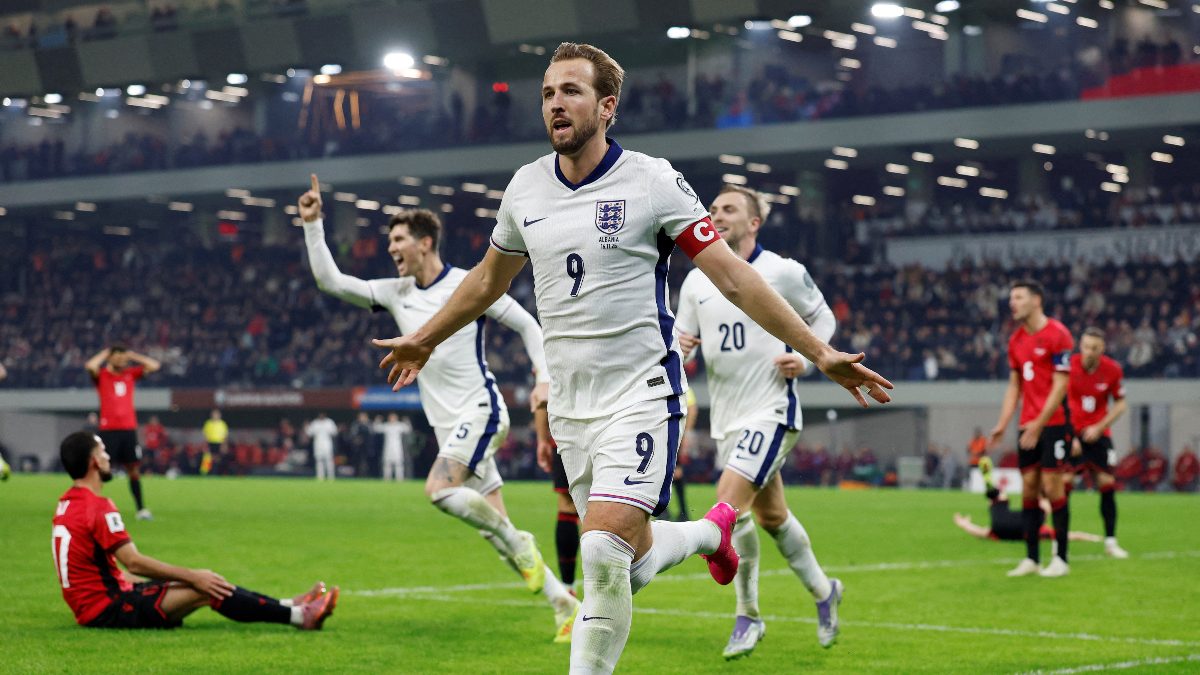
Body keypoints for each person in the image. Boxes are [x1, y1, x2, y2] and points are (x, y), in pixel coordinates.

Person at [371, 42, 893, 674]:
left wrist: (819, 351)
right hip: (571, 404)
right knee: (630, 561)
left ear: (607, 105)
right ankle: (708, 533)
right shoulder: (525, 187)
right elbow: (486, 281)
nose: (555, 103)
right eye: (546, 93)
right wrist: (425, 337)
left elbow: (732, 276)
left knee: (599, 555)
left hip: (641, 392)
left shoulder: (652, 180)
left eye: (570, 91)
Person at [297, 182, 580, 641]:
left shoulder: (469, 283)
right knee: (496, 531)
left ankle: (522, 542)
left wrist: (542, 378)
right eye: (390, 242)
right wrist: (313, 225)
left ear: (425, 242)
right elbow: (331, 281)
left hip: (482, 410)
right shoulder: (396, 292)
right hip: (450, 426)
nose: (391, 249)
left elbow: (528, 324)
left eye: (398, 240)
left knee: (439, 490)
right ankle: (563, 603)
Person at [675, 185, 841, 660]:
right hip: (727, 419)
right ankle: (824, 591)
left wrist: (807, 362)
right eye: (712, 210)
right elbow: (683, 340)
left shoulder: (781, 272)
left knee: (729, 507)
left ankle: (747, 615)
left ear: (754, 223)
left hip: (772, 411)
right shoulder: (696, 281)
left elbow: (822, 318)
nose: (717, 215)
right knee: (769, 516)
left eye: (729, 209)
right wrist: (676, 353)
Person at [52, 431, 338, 629]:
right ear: (93, 462)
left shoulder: (66, 504)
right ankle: (301, 617)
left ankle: (290, 604)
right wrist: (191, 575)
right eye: (103, 451)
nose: (108, 457)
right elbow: (134, 562)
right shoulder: (98, 506)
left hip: (96, 601)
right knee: (206, 587)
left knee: (203, 581)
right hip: (108, 609)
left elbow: (94, 566)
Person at [989, 280, 1074, 578]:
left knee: (1052, 487)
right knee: (1028, 488)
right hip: (1028, 425)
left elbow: (1061, 386)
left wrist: (1039, 424)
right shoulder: (1016, 341)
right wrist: (1002, 423)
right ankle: (1032, 558)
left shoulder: (1058, 334)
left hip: (1053, 424)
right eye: (1011, 298)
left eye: (1019, 297)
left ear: (1036, 300)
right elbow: (1015, 386)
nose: (1012, 303)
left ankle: (1061, 558)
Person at [1067, 328, 1129, 558]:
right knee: (1064, 486)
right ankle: (1060, 542)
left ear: (1102, 349)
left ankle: (1111, 542)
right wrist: (1069, 434)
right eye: (1085, 346)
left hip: (1099, 436)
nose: (1088, 352)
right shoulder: (1069, 366)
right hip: (1072, 435)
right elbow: (1058, 399)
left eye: (1094, 348)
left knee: (1107, 484)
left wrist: (1100, 427)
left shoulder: (1112, 370)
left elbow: (1121, 405)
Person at [85, 345, 161, 521]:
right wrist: (105, 352)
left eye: (122, 357)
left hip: (128, 430)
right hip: (108, 430)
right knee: (101, 470)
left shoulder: (130, 374)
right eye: (116, 356)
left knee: (133, 469)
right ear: (110, 358)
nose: (120, 360)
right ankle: (92, 509)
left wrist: (133, 355)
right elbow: (90, 366)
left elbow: (154, 365)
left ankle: (141, 509)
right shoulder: (102, 375)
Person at [954, 458, 1100, 544]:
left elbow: (981, 532)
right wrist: (1093, 538)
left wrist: (964, 524)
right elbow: (1071, 535)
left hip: (1002, 524)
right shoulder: (1041, 532)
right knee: (1013, 502)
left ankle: (992, 488)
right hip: (1021, 526)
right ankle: (994, 492)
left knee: (1006, 499)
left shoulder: (999, 531)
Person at [533, 381, 580, 593]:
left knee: (568, 505)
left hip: (568, 428)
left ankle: (568, 586)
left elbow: (542, 395)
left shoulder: (545, 347)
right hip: (610, 423)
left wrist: (542, 438)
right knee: (609, 501)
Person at [374, 413, 413, 481]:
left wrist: (407, 421)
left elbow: (408, 429)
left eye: (393, 417)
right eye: (391, 417)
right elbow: (376, 429)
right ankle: (387, 478)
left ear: (396, 418)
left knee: (398, 463)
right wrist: (377, 420)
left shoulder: (399, 425)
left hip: (397, 447)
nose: (392, 419)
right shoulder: (386, 425)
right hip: (388, 447)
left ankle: (399, 479)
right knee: (387, 463)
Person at [305, 412, 339, 481]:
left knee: (329, 461)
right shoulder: (315, 423)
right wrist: (306, 426)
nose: (321, 416)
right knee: (319, 461)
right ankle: (320, 477)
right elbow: (309, 433)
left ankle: (331, 477)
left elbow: (334, 432)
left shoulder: (329, 422)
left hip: (327, 444)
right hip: (318, 444)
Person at [202, 409, 229, 475]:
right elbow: (205, 434)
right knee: (207, 458)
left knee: (217, 459)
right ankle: (204, 473)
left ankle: (217, 473)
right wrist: (206, 445)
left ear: (219, 415)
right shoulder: (208, 423)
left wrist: (224, 445)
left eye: (217, 414)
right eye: (214, 414)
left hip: (219, 443)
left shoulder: (222, 424)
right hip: (210, 442)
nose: (215, 416)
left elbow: (225, 435)